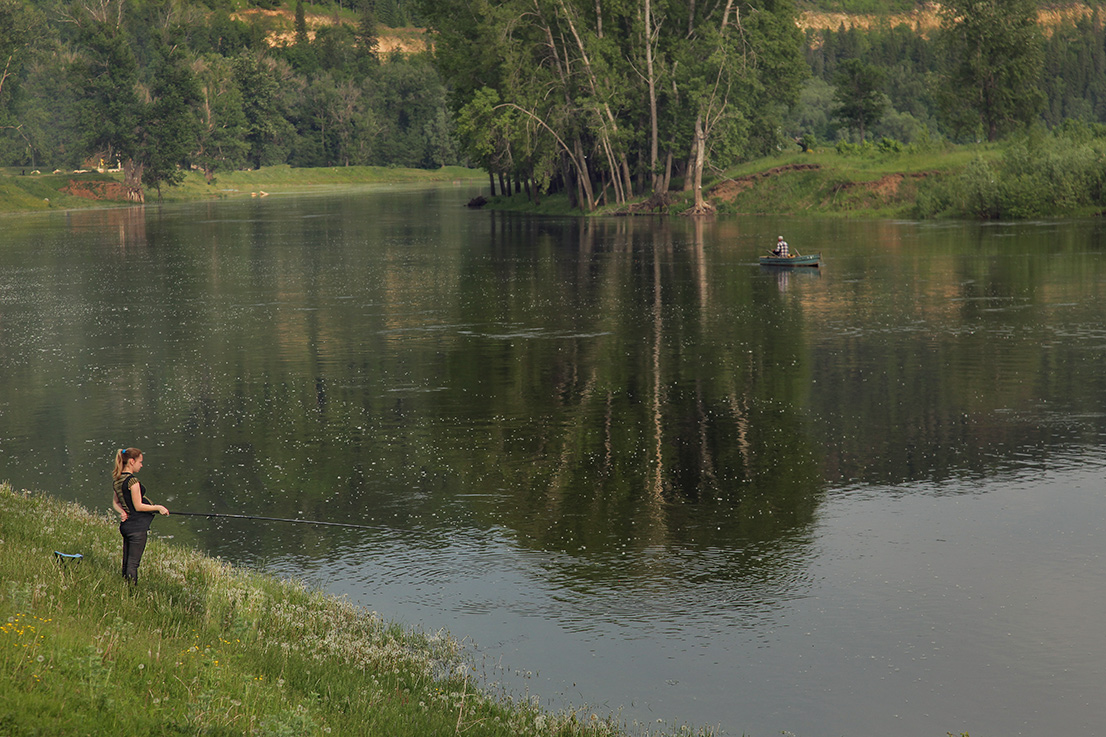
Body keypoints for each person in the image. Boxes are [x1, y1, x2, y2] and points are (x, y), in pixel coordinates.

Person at [112, 447, 168, 584]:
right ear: (131, 461)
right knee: (133, 564)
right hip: (137, 528)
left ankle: (124, 589)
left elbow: (115, 502)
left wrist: (122, 512)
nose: (141, 465)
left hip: (126, 527)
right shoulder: (133, 481)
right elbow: (138, 506)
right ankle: (132, 594)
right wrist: (158, 508)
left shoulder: (118, 480)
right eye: (140, 462)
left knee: (126, 562)